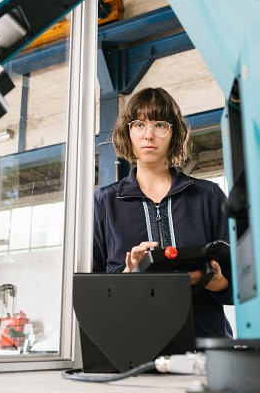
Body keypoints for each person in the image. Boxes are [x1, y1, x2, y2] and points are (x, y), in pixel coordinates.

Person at [93, 87, 233, 339]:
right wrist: (128, 275)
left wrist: (210, 279)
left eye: (160, 125)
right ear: (128, 132)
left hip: (204, 344)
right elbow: (93, 292)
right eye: (139, 125)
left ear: (173, 133)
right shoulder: (104, 203)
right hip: (133, 346)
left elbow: (242, 283)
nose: (149, 135)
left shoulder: (208, 196)